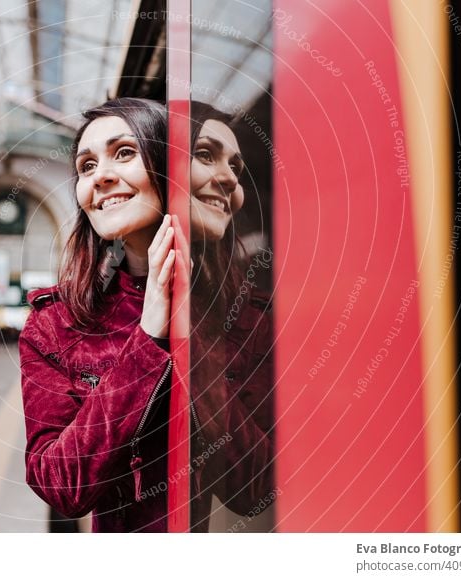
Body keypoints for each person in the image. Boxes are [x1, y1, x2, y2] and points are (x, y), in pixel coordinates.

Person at [20, 97, 176, 532]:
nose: (100, 176)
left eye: (124, 153)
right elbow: (59, 486)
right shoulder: (54, 325)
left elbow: (255, 485)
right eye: (86, 166)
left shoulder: (241, 306)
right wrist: (148, 337)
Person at [187, 101, 275, 531]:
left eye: (236, 166)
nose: (228, 178)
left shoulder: (251, 315)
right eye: (205, 154)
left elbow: (254, 487)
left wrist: (191, 343)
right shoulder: (69, 318)